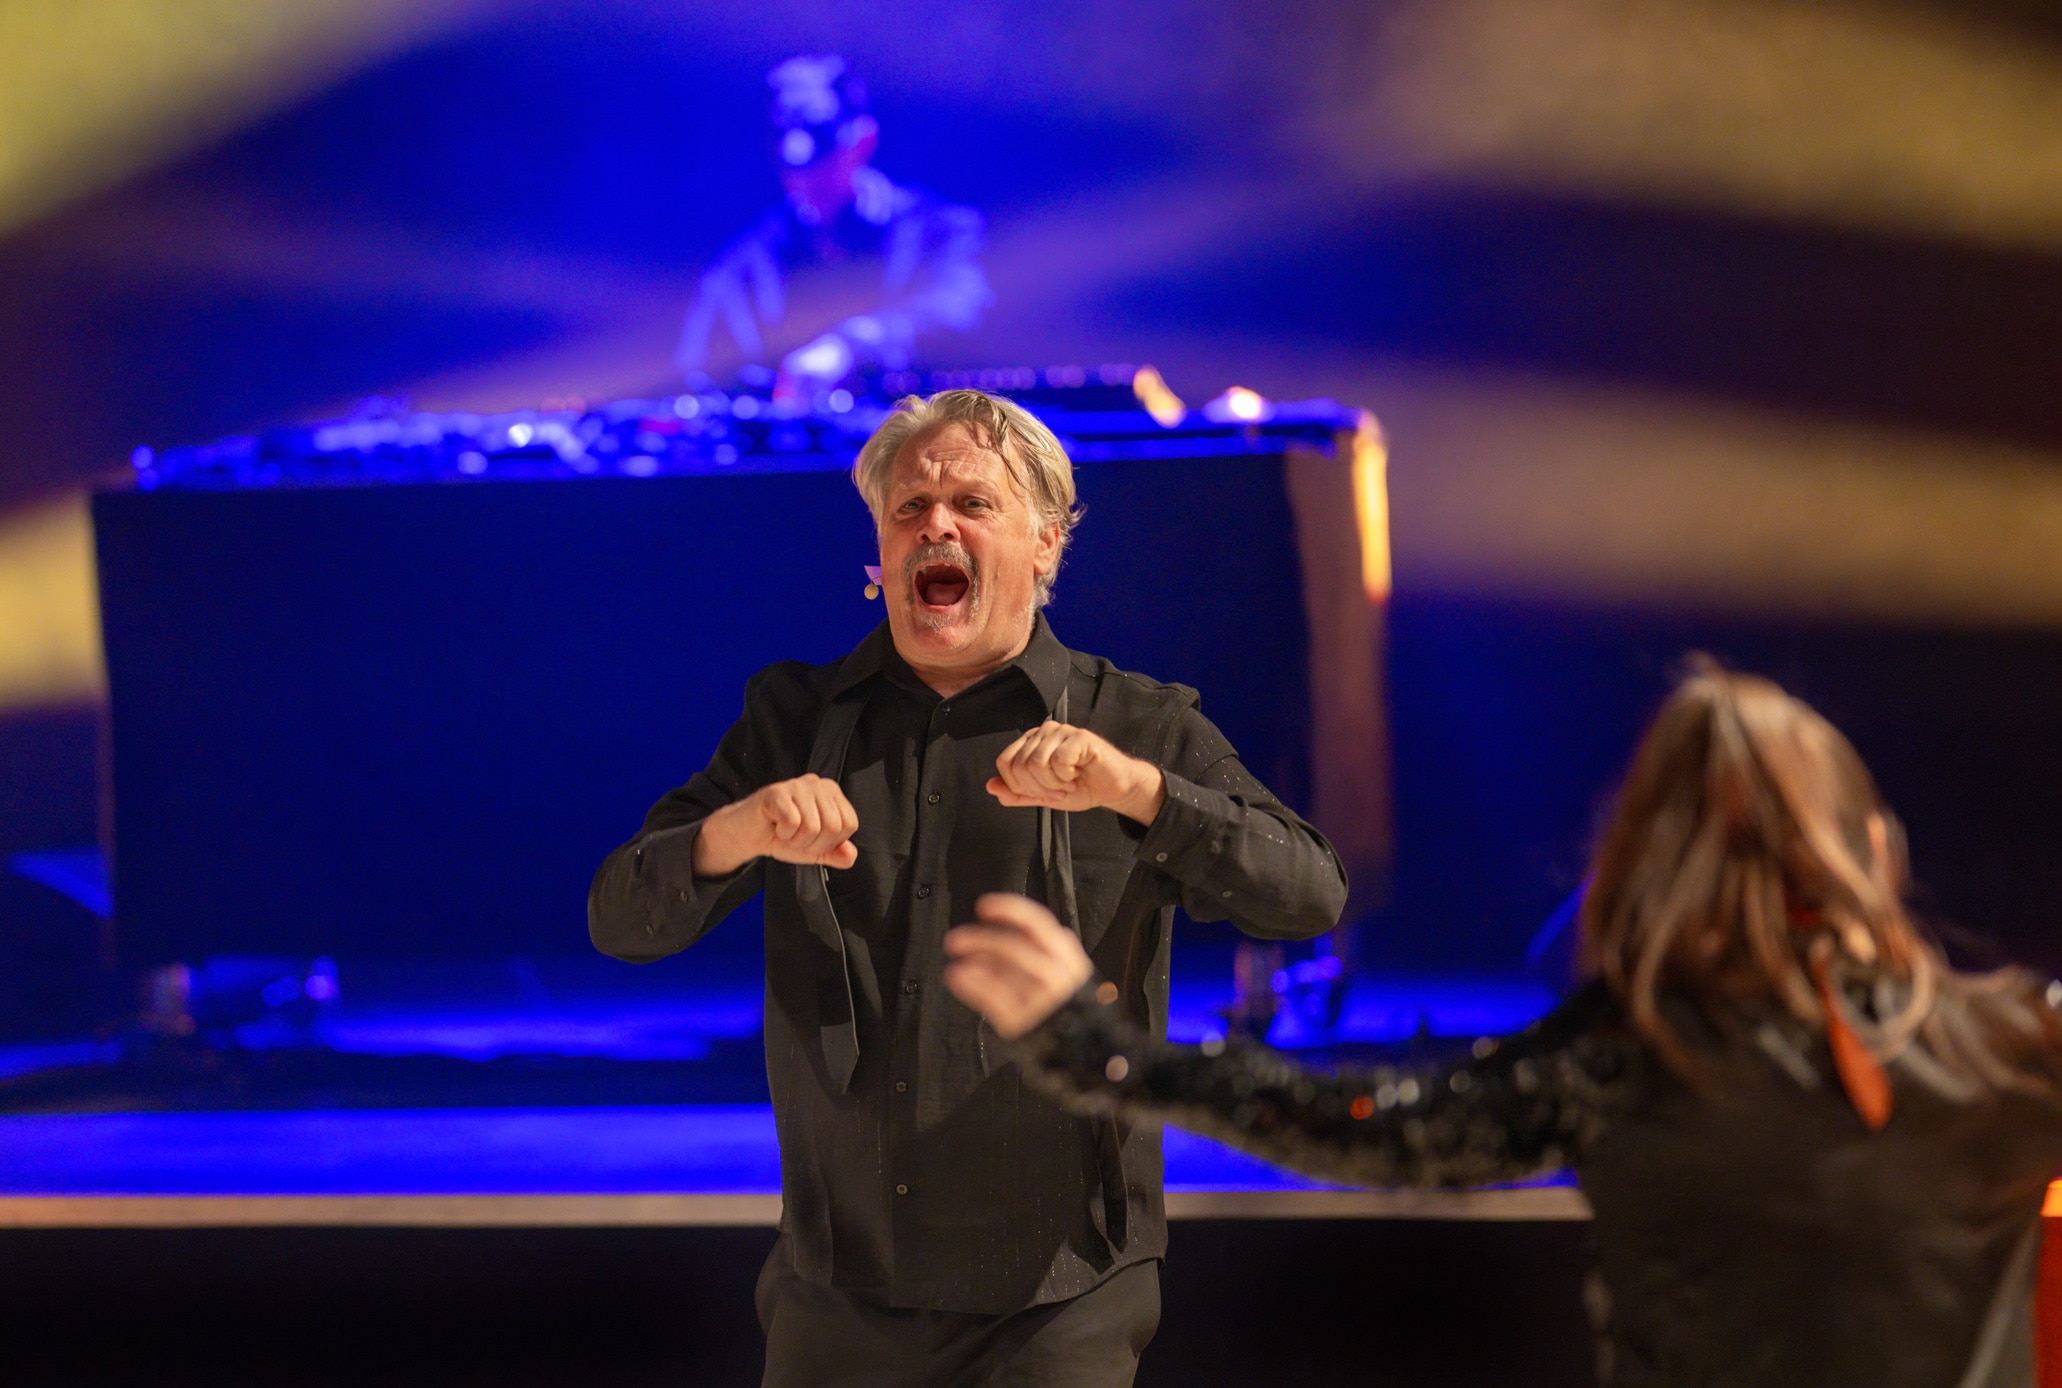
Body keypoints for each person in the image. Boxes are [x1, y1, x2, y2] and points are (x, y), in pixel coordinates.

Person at [947, 661, 2062, 1387]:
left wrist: (1106, 1053)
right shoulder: (2012, 1047)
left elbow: (1365, 1121)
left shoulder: (1622, 1062)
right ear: (1875, 850)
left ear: (1630, 868)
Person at [588, 388, 1347, 1386]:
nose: (934, 525)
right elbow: (621, 918)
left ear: (1045, 543)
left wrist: (1137, 790)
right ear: (879, 550)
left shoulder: (1137, 723)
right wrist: (736, 831)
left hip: (1058, 1293)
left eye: (972, 504)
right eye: (909, 507)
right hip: (839, 1286)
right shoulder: (794, 717)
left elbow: (1308, 892)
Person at [672, 54, 991, 404]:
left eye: (823, 155)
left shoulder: (940, 232)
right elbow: (692, 388)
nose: (806, 179)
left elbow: (965, 311)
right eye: (793, 164)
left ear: (863, 142)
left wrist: (853, 347)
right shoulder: (741, 272)